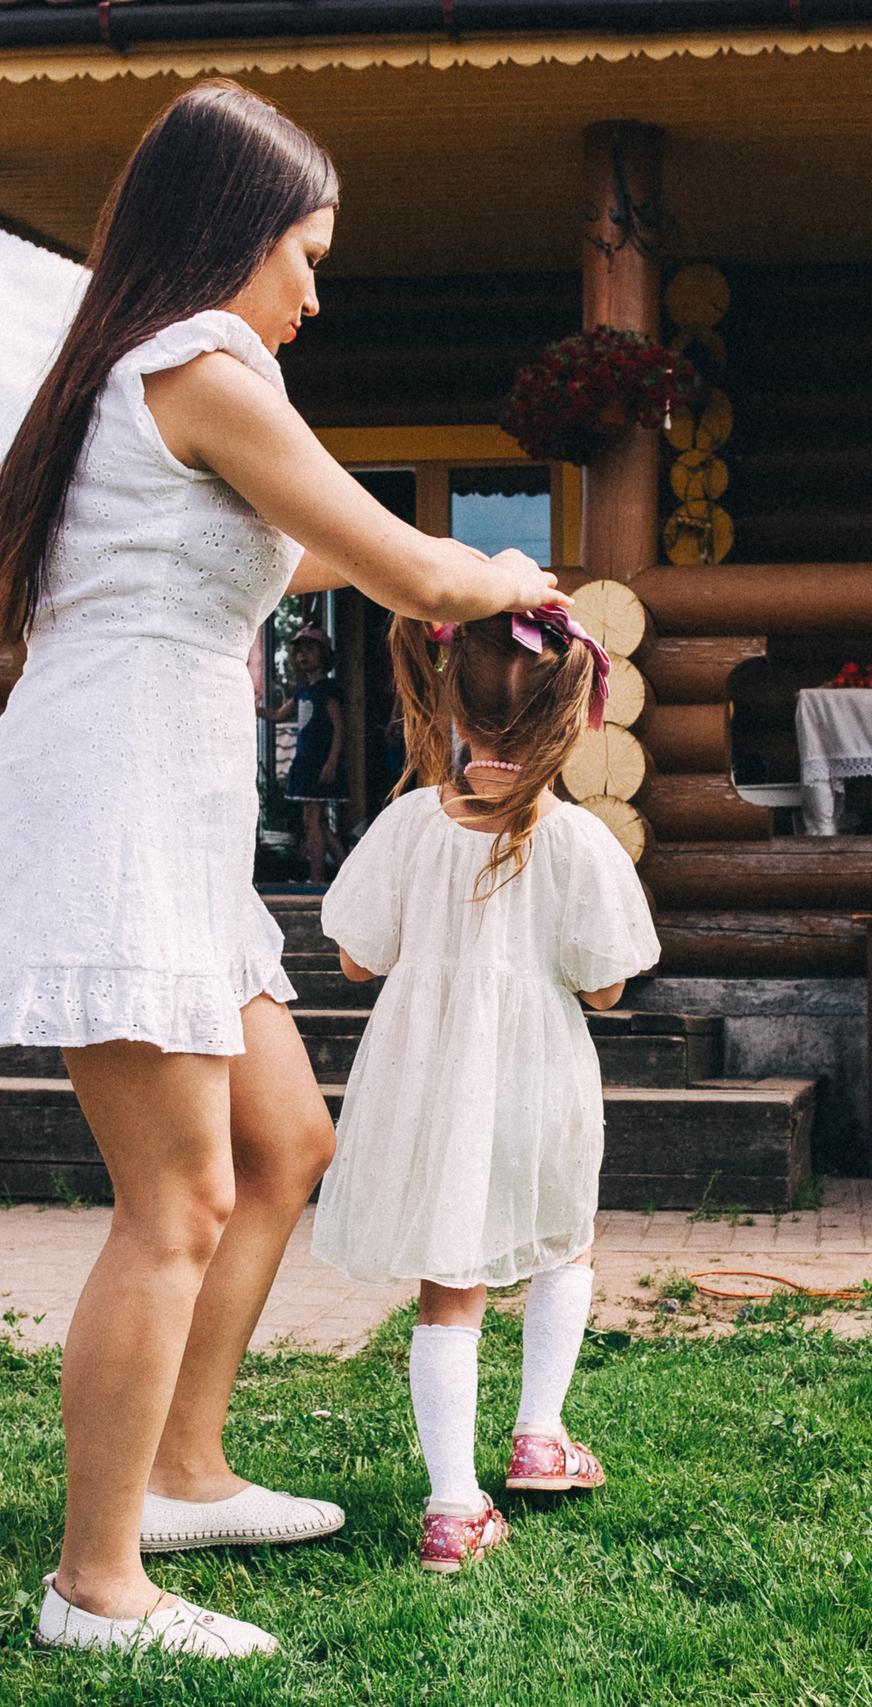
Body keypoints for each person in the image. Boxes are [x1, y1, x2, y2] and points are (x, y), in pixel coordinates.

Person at [0, 80, 565, 1659]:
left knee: (283, 1141)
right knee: (177, 1195)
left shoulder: (152, 385)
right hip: (114, 805)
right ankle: (94, 1582)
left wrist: (446, 571)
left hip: (160, 810)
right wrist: (507, 571)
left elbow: (305, 545)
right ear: (235, 239)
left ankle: (182, 1470)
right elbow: (402, 562)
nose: (315, 290)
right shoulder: (201, 361)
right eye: (307, 252)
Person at [311, 609, 660, 1573]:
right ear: (569, 718)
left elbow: (351, 958)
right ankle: (540, 1435)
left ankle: (454, 1504)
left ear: (452, 701)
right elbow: (605, 983)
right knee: (566, 1232)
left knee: (448, 1282)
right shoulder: (580, 840)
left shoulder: (410, 824)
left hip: (429, 1081)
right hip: (540, 1074)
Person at [261, 622, 345, 882]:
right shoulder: (302, 691)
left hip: (320, 761)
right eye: (299, 651)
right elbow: (276, 715)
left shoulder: (328, 689)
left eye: (310, 649)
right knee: (316, 821)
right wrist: (246, 704)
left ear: (324, 654)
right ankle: (346, 873)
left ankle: (317, 876)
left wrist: (331, 763)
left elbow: (339, 728)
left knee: (312, 819)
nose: (303, 655)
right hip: (306, 761)